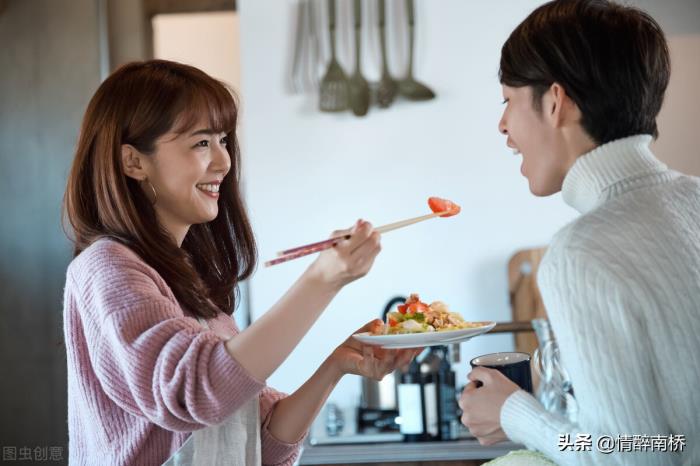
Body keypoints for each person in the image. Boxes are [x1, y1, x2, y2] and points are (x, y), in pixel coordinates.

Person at [62, 60, 419, 466]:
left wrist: (335, 365)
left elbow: (260, 442)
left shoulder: (191, 282)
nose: (223, 161)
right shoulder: (106, 268)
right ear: (133, 162)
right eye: (201, 143)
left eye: (223, 140)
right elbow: (199, 392)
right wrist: (322, 281)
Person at [458, 1, 700, 465]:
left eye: (508, 101)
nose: (503, 125)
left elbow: (633, 457)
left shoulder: (581, 253)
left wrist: (515, 414)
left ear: (555, 102)